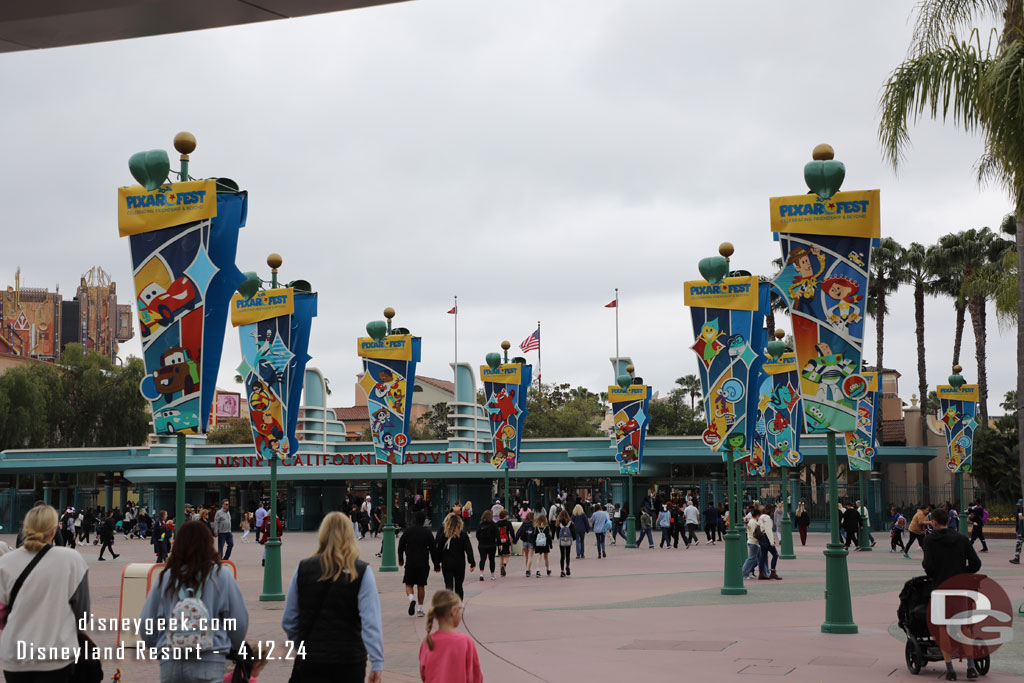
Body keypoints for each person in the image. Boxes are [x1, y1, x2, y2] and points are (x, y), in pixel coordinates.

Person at [140, 520, 249, 683]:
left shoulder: (166, 577)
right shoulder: (221, 576)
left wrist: (161, 647)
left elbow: (146, 625)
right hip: (210, 659)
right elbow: (239, 623)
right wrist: (230, 646)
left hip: (171, 661)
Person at [282, 512, 384, 682]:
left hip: (311, 660)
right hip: (349, 661)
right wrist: (377, 662)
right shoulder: (361, 572)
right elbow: (371, 623)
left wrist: (303, 645)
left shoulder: (303, 569)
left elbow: (289, 620)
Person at [0, 505, 91, 681]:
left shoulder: (5, 562)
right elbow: (82, 614)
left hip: (15, 656)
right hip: (56, 656)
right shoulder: (71, 560)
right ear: (53, 530)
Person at [921, 507, 982, 681]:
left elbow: (927, 565)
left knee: (942, 629)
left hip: (941, 588)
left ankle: (950, 670)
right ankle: (971, 668)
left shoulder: (929, 540)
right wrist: (964, 573)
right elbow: (976, 563)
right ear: (948, 521)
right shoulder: (962, 539)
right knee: (964, 627)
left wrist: (935, 574)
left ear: (933, 522)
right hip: (960, 589)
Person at [419, 590, 483, 683]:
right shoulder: (465, 642)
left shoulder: (427, 642)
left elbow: (424, 674)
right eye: (460, 610)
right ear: (453, 611)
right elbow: (475, 676)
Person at [398, 510, 436, 616]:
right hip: (423, 562)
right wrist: (436, 564)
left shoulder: (408, 531)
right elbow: (433, 548)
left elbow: (401, 545)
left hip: (410, 562)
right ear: (424, 521)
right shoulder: (427, 532)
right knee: (421, 585)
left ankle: (411, 599)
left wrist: (401, 559)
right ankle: (420, 609)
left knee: (409, 584)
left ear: (414, 519)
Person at [757, 505, 781, 580]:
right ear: (770, 511)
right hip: (766, 538)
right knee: (775, 555)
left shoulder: (761, 517)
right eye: (772, 511)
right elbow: (768, 531)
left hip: (761, 538)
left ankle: (761, 573)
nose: (773, 513)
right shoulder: (767, 518)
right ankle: (773, 572)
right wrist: (772, 542)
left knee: (763, 556)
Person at [475, 509, 498, 581]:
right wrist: (499, 543)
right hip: (492, 545)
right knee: (492, 560)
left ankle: (481, 573)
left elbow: (477, 534)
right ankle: (492, 575)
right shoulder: (494, 524)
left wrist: (480, 540)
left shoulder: (480, 524)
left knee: (482, 559)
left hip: (482, 545)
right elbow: (497, 535)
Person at [553, 510, 577, 576]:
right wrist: (574, 538)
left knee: (562, 555)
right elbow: (573, 532)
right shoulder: (570, 522)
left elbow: (557, 534)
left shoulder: (558, 523)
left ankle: (562, 571)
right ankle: (568, 566)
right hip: (568, 540)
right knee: (568, 554)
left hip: (562, 540)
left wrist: (559, 538)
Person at [741, 508, 762, 579]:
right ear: (757, 515)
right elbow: (756, 533)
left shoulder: (751, 521)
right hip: (754, 542)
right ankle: (744, 573)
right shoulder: (754, 523)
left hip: (752, 541)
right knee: (752, 558)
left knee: (758, 558)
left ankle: (749, 571)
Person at [514, 511, 536, 575]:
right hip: (531, 542)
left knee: (526, 557)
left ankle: (528, 569)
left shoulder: (524, 523)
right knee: (530, 557)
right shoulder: (533, 524)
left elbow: (519, 532)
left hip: (524, 541)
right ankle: (528, 570)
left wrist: (515, 540)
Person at [495, 508, 515, 576]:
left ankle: (501, 569)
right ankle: (504, 565)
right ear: (505, 516)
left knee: (501, 556)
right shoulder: (508, 523)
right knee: (507, 555)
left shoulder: (497, 523)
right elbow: (512, 532)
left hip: (499, 541)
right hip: (506, 541)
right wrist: (514, 539)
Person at [1010, 498, 1024, 564]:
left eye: (1020, 505)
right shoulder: (1019, 510)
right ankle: (1017, 558)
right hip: (1020, 531)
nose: (1019, 506)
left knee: (1019, 544)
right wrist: (1017, 529)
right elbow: (1019, 520)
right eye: (1019, 505)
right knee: (1018, 544)